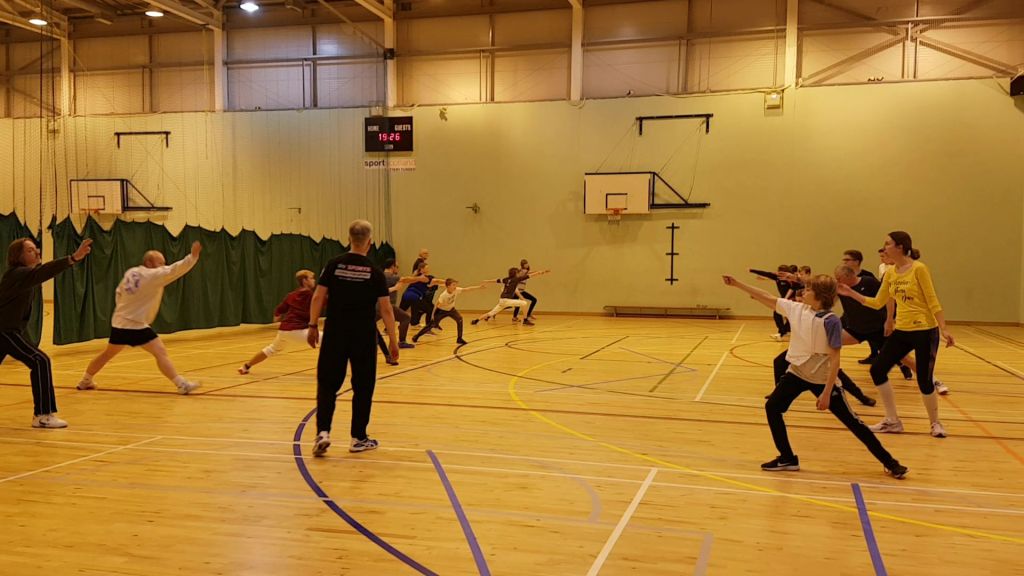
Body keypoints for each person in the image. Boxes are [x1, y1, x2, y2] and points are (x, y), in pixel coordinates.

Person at [723, 273, 907, 479]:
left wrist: (827, 393)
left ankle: (891, 463)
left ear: (820, 296)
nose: (804, 291)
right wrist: (738, 284)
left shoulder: (830, 321)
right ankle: (787, 458)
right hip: (797, 372)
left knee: (854, 423)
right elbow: (767, 297)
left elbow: (835, 359)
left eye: (809, 289)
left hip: (823, 379)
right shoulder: (797, 309)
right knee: (772, 407)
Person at [838, 231, 954, 438]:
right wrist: (851, 293)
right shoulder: (890, 272)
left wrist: (943, 328)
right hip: (902, 331)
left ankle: (935, 423)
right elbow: (878, 302)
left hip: (925, 331)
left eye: (888, 244)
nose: (884, 248)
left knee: (924, 380)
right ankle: (892, 421)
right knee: (878, 370)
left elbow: (932, 300)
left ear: (900, 247)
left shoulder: (919, 269)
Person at [308, 220, 398, 456]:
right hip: (363, 336)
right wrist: (393, 340)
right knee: (363, 386)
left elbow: (318, 297)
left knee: (327, 384)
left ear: (349, 239)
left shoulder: (333, 265)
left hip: (335, 333)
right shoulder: (374, 271)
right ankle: (358, 437)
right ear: (369, 242)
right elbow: (386, 309)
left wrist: (312, 325)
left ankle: (323, 432)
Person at [77, 242, 203, 395]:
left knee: (107, 354)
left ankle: (86, 380)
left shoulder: (132, 272)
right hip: (135, 325)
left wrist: (124, 311)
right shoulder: (152, 275)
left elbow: (119, 293)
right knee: (160, 352)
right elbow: (174, 269)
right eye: (160, 263)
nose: (163, 266)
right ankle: (181, 384)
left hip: (120, 323)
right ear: (149, 263)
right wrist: (193, 256)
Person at [1, 237, 92, 428]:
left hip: (8, 330)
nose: (37, 252)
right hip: (4, 331)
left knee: (39, 361)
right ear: (18, 256)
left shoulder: (24, 276)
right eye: (30, 250)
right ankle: (43, 415)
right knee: (40, 361)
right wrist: (72, 258)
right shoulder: (19, 273)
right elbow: (45, 271)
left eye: (36, 248)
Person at [239, 269, 316, 375]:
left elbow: (279, 310)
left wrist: (277, 316)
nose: (314, 280)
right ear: (305, 280)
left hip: (284, 330)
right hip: (297, 330)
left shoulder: (291, 295)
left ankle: (245, 366)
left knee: (271, 349)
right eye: (311, 278)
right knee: (329, 340)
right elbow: (322, 301)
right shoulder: (309, 295)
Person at [412, 278, 488, 345]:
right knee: (430, 325)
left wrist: (479, 287)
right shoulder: (444, 295)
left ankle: (459, 339)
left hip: (451, 310)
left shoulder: (456, 290)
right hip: (441, 311)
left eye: (455, 285)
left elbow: (467, 289)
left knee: (460, 319)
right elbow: (436, 306)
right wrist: (432, 316)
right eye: (453, 285)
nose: (455, 286)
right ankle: (416, 336)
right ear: (448, 286)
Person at [472, 267, 550, 325]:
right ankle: (525, 320)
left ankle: (476, 320)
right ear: (515, 273)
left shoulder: (506, 279)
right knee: (524, 303)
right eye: (517, 272)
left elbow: (496, 280)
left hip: (501, 300)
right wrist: (540, 272)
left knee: (490, 313)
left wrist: (487, 281)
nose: (518, 273)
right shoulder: (516, 279)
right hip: (507, 300)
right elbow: (530, 276)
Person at [749, 265, 795, 340]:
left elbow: (793, 289)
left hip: (792, 300)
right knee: (779, 314)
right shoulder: (776, 277)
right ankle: (784, 332)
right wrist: (752, 270)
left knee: (784, 315)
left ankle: (783, 332)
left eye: (782, 273)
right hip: (784, 299)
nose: (780, 274)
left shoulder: (790, 279)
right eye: (779, 272)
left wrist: (786, 299)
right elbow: (766, 273)